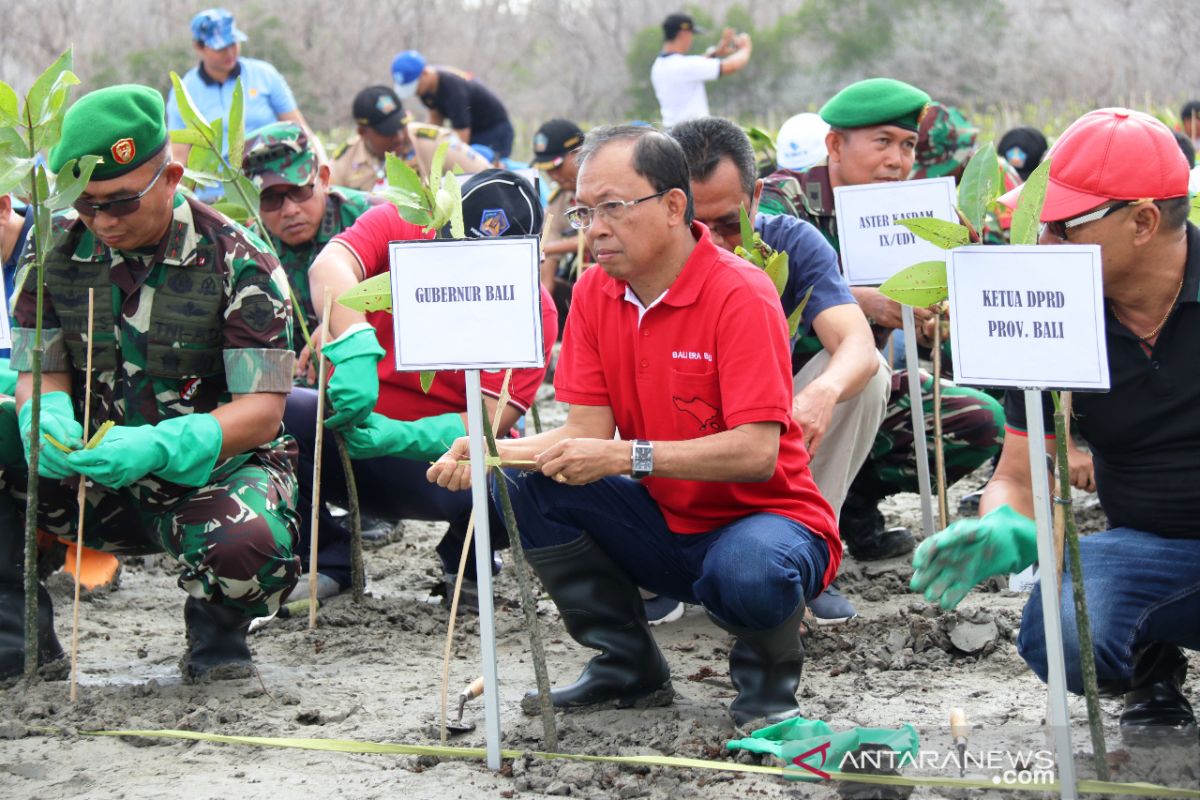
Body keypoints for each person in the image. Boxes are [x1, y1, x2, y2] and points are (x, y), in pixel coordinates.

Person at [429, 126, 840, 727]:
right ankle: (627, 665)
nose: (592, 228)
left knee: (748, 569)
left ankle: (765, 687)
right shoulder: (596, 291)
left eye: (613, 208)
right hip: (663, 524)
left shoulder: (741, 294)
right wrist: (491, 452)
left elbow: (756, 454)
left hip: (766, 523)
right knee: (520, 484)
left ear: (674, 205)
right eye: (583, 210)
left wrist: (627, 458)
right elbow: (584, 431)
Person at [911, 107, 1199, 743]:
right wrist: (1003, 523)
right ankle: (1150, 668)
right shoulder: (1052, 311)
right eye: (1039, 223)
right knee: (1061, 633)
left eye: (1064, 227)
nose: (1043, 244)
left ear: (1145, 221)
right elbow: (1017, 475)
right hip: (1147, 549)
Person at [0, 85, 299, 682]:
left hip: (203, 481)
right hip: (89, 474)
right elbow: (42, 369)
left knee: (249, 543)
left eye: (122, 201)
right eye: (86, 204)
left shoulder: (239, 261)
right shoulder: (53, 246)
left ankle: (217, 640)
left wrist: (163, 446)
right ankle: (20, 642)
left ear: (171, 177)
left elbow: (262, 413)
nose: (103, 221)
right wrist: (47, 417)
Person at [758, 79, 1005, 563]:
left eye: (908, 144)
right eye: (882, 142)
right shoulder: (782, 200)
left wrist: (931, 320)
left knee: (978, 422)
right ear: (834, 145)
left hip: (866, 385)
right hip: (785, 388)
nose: (897, 159)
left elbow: (926, 305)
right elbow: (754, 286)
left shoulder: (907, 212)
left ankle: (853, 502)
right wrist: (864, 302)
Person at [291, 170, 557, 602]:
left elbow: (492, 420)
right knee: (282, 415)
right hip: (350, 433)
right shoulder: (400, 225)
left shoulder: (532, 308)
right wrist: (355, 341)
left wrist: (401, 435)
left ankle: (466, 557)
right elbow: (330, 266)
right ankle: (325, 559)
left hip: (447, 467)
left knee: (524, 487)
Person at [672, 116, 887, 626]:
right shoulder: (647, 260)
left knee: (868, 375)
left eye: (730, 224)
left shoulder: (794, 242)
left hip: (770, 422)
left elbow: (855, 342)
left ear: (756, 195)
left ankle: (807, 548)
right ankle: (666, 561)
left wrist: (824, 392)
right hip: (682, 430)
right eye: (697, 227)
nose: (716, 245)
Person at [242, 121, 380, 363]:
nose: (290, 210)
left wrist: (340, 326)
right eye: (270, 199)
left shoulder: (371, 218)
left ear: (324, 179)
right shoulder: (247, 250)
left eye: (300, 191)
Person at [166, 8, 316, 202]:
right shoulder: (185, 92)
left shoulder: (265, 75)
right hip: (215, 195)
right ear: (199, 47)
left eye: (233, 43)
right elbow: (180, 157)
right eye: (220, 48)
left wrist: (319, 170)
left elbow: (300, 129)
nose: (230, 52)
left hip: (271, 183)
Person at [329, 85, 492, 193]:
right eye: (388, 132)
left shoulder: (433, 142)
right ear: (362, 132)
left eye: (402, 126)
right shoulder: (343, 162)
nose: (399, 136)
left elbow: (489, 176)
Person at [390, 51, 514, 160]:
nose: (415, 92)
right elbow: (435, 118)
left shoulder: (453, 90)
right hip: (473, 132)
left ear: (425, 73)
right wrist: (421, 146)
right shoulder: (426, 89)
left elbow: (462, 136)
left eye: (415, 87)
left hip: (494, 131)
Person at [650, 13, 752, 129]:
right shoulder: (684, 65)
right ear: (683, 34)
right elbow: (730, 66)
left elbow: (695, 65)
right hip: (693, 134)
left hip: (672, 132)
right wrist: (746, 47)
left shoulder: (659, 65)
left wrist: (716, 52)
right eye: (691, 34)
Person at [532, 118, 587, 329]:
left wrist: (546, 247)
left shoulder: (609, 187)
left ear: (578, 153)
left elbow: (606, 235)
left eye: (556, 166)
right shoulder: (561, 199)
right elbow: (549, 253)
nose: (552, 176)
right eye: (546, 169)